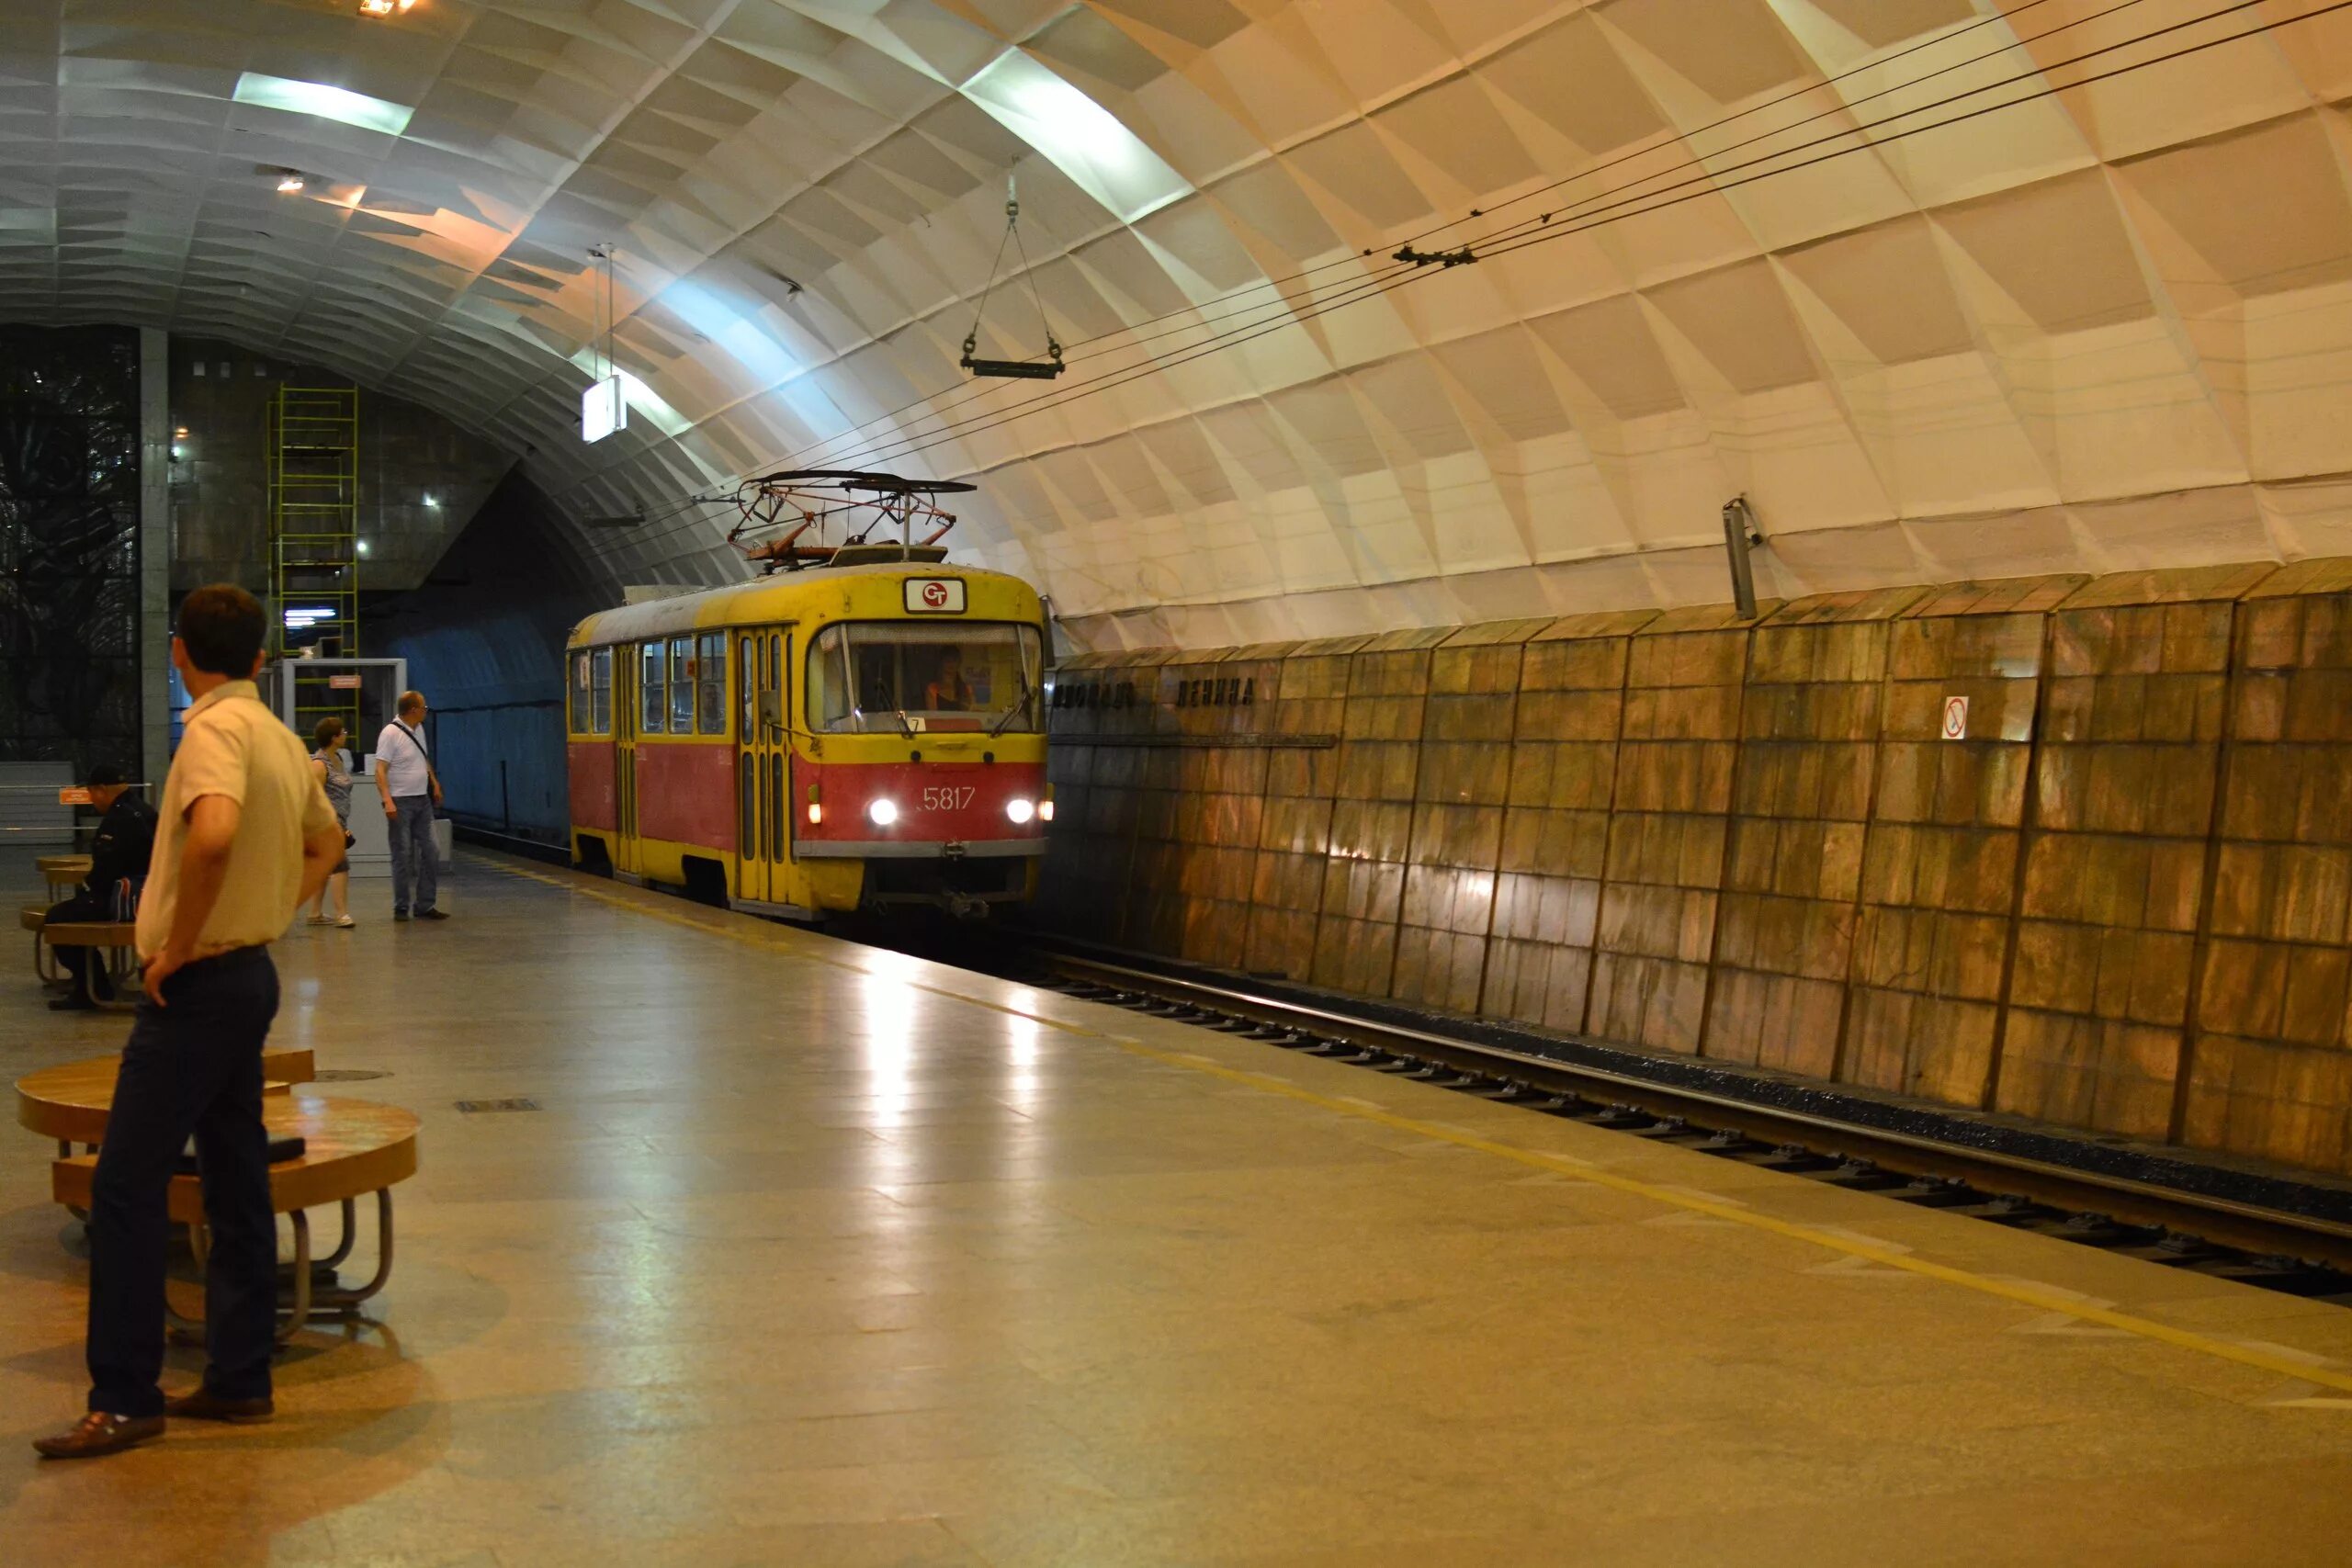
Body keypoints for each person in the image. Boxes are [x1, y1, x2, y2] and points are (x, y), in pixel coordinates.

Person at [35, 583, 344, 1460]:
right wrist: (268, 911)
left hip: (200, 987)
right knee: (235, 1179)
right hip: (251, 977)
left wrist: (179, 944)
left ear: (180, 652)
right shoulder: (283, 739)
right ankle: (241, 1377)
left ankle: (125, 1396)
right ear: (257, 657)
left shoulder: (211, 729)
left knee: (125, 1189)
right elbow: (327, 845)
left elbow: (211, 837)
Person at [44, 764, 158, 1011]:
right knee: (75, 908)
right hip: (149, 896)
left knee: (56, 918)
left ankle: (92, 986)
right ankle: (92, 981)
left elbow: (106, 872)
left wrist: (89, 889)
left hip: (124, 899)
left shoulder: (119, 819)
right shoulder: (144, 810)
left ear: (101, 790)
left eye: (90, 794)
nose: (92, 801)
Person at [374, 690, 446, 922]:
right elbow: (380, 770)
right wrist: (387, 799)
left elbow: (422, 758)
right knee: (402, 854)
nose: (426, 711)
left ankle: (425, 904)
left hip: (421, 801)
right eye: (423, 708)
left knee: (432, 850)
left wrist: (433, 782)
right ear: (413, 710)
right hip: (400, 801)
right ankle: (401, 906)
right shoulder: (390, 733)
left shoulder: (419, 729)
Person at [304, 716, 356, 929]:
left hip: (339, 822)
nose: (345, 735)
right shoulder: (319, 765)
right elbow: (313, 798)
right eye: (342, 732)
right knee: (341, 866)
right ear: (334, 738)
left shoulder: (339, 759)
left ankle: (315, 912)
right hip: (327, 825)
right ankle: (341, 914)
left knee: (325, 868)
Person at [923, 648, 974, 712]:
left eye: (954, 661)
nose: (951, 664)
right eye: (948, 661)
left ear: (959, 663)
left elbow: (970, 713)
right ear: (941, 663)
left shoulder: (967, 689)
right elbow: (933, 715)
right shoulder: (932, 688)